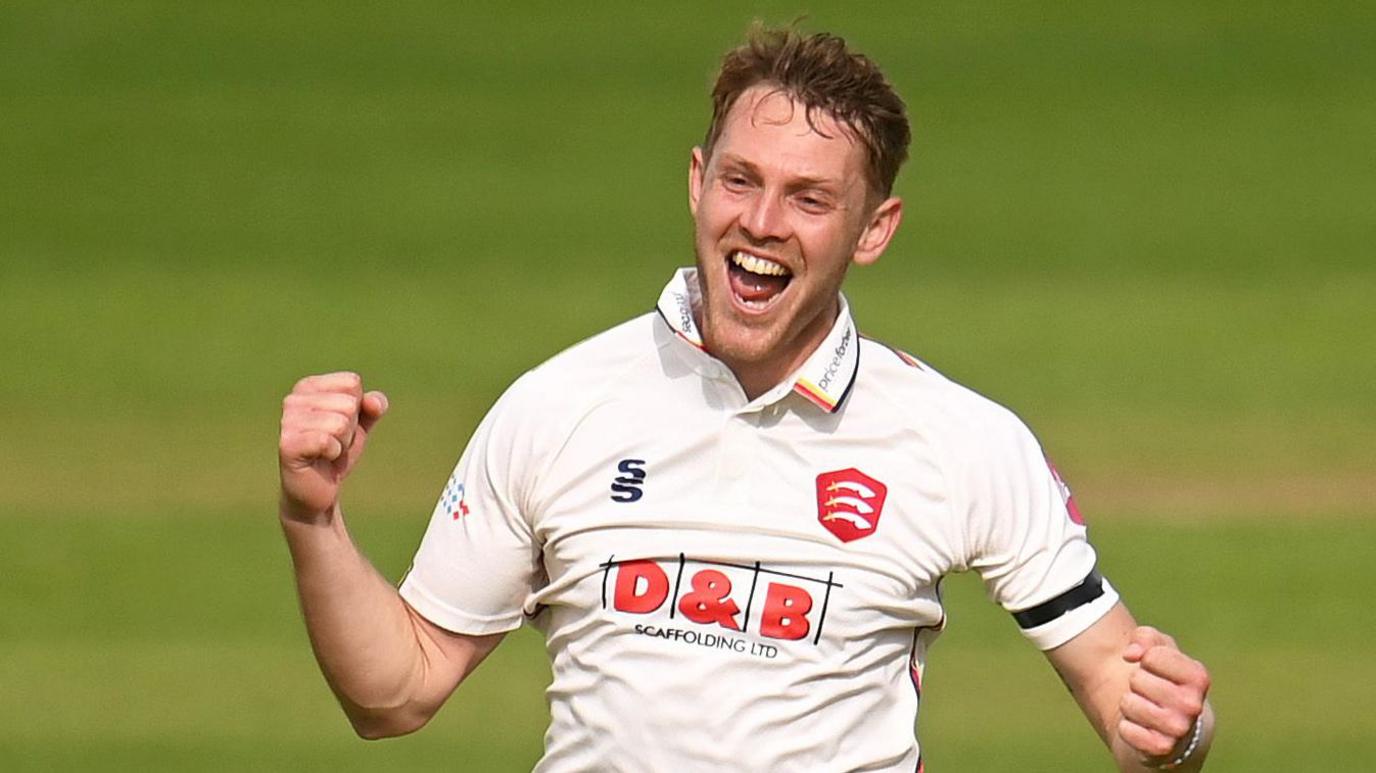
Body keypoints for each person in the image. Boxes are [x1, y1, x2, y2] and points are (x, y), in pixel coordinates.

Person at [277, 25, 1214, 772]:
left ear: (873, 229)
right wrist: (312, 520)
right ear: (697, 182)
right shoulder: (558, 404)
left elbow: (1129, 701)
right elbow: (394, 692)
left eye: (809, 198)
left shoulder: (960, 438)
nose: (761, 223)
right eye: (741, 180)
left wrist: (1177, 733)